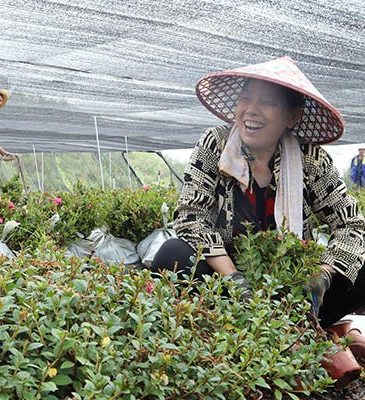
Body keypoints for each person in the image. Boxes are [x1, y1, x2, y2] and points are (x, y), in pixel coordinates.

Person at [151, 56, 365, 380]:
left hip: (293, 291)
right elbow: (191, 216)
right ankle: (231, 333)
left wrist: (321, 276)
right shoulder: (217, 143)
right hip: (227, 288)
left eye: (267, 102)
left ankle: (299, 328)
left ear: (291, 115)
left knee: (359, 266)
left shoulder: (310, 158)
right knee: (173, 255)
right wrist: (235, 280)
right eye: (245, 98)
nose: (251, 110)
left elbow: (350, 224)